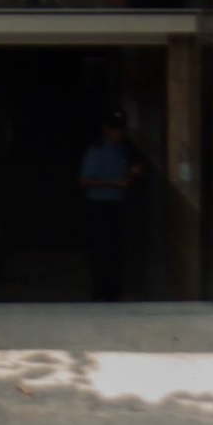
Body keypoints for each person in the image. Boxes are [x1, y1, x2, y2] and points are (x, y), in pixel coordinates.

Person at [77, 111, 141, 301]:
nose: (118, 133)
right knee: (100, 251)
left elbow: (123, 176)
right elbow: (83, 180)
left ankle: (114, 291)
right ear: (106, 130)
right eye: (115, 129)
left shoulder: (122, 149)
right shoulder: (97, 151)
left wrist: (131, 174)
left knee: (116, 251)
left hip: (116, 205)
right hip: (99, 206)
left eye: (121, 129)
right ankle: (101, 293)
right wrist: (111, 184)